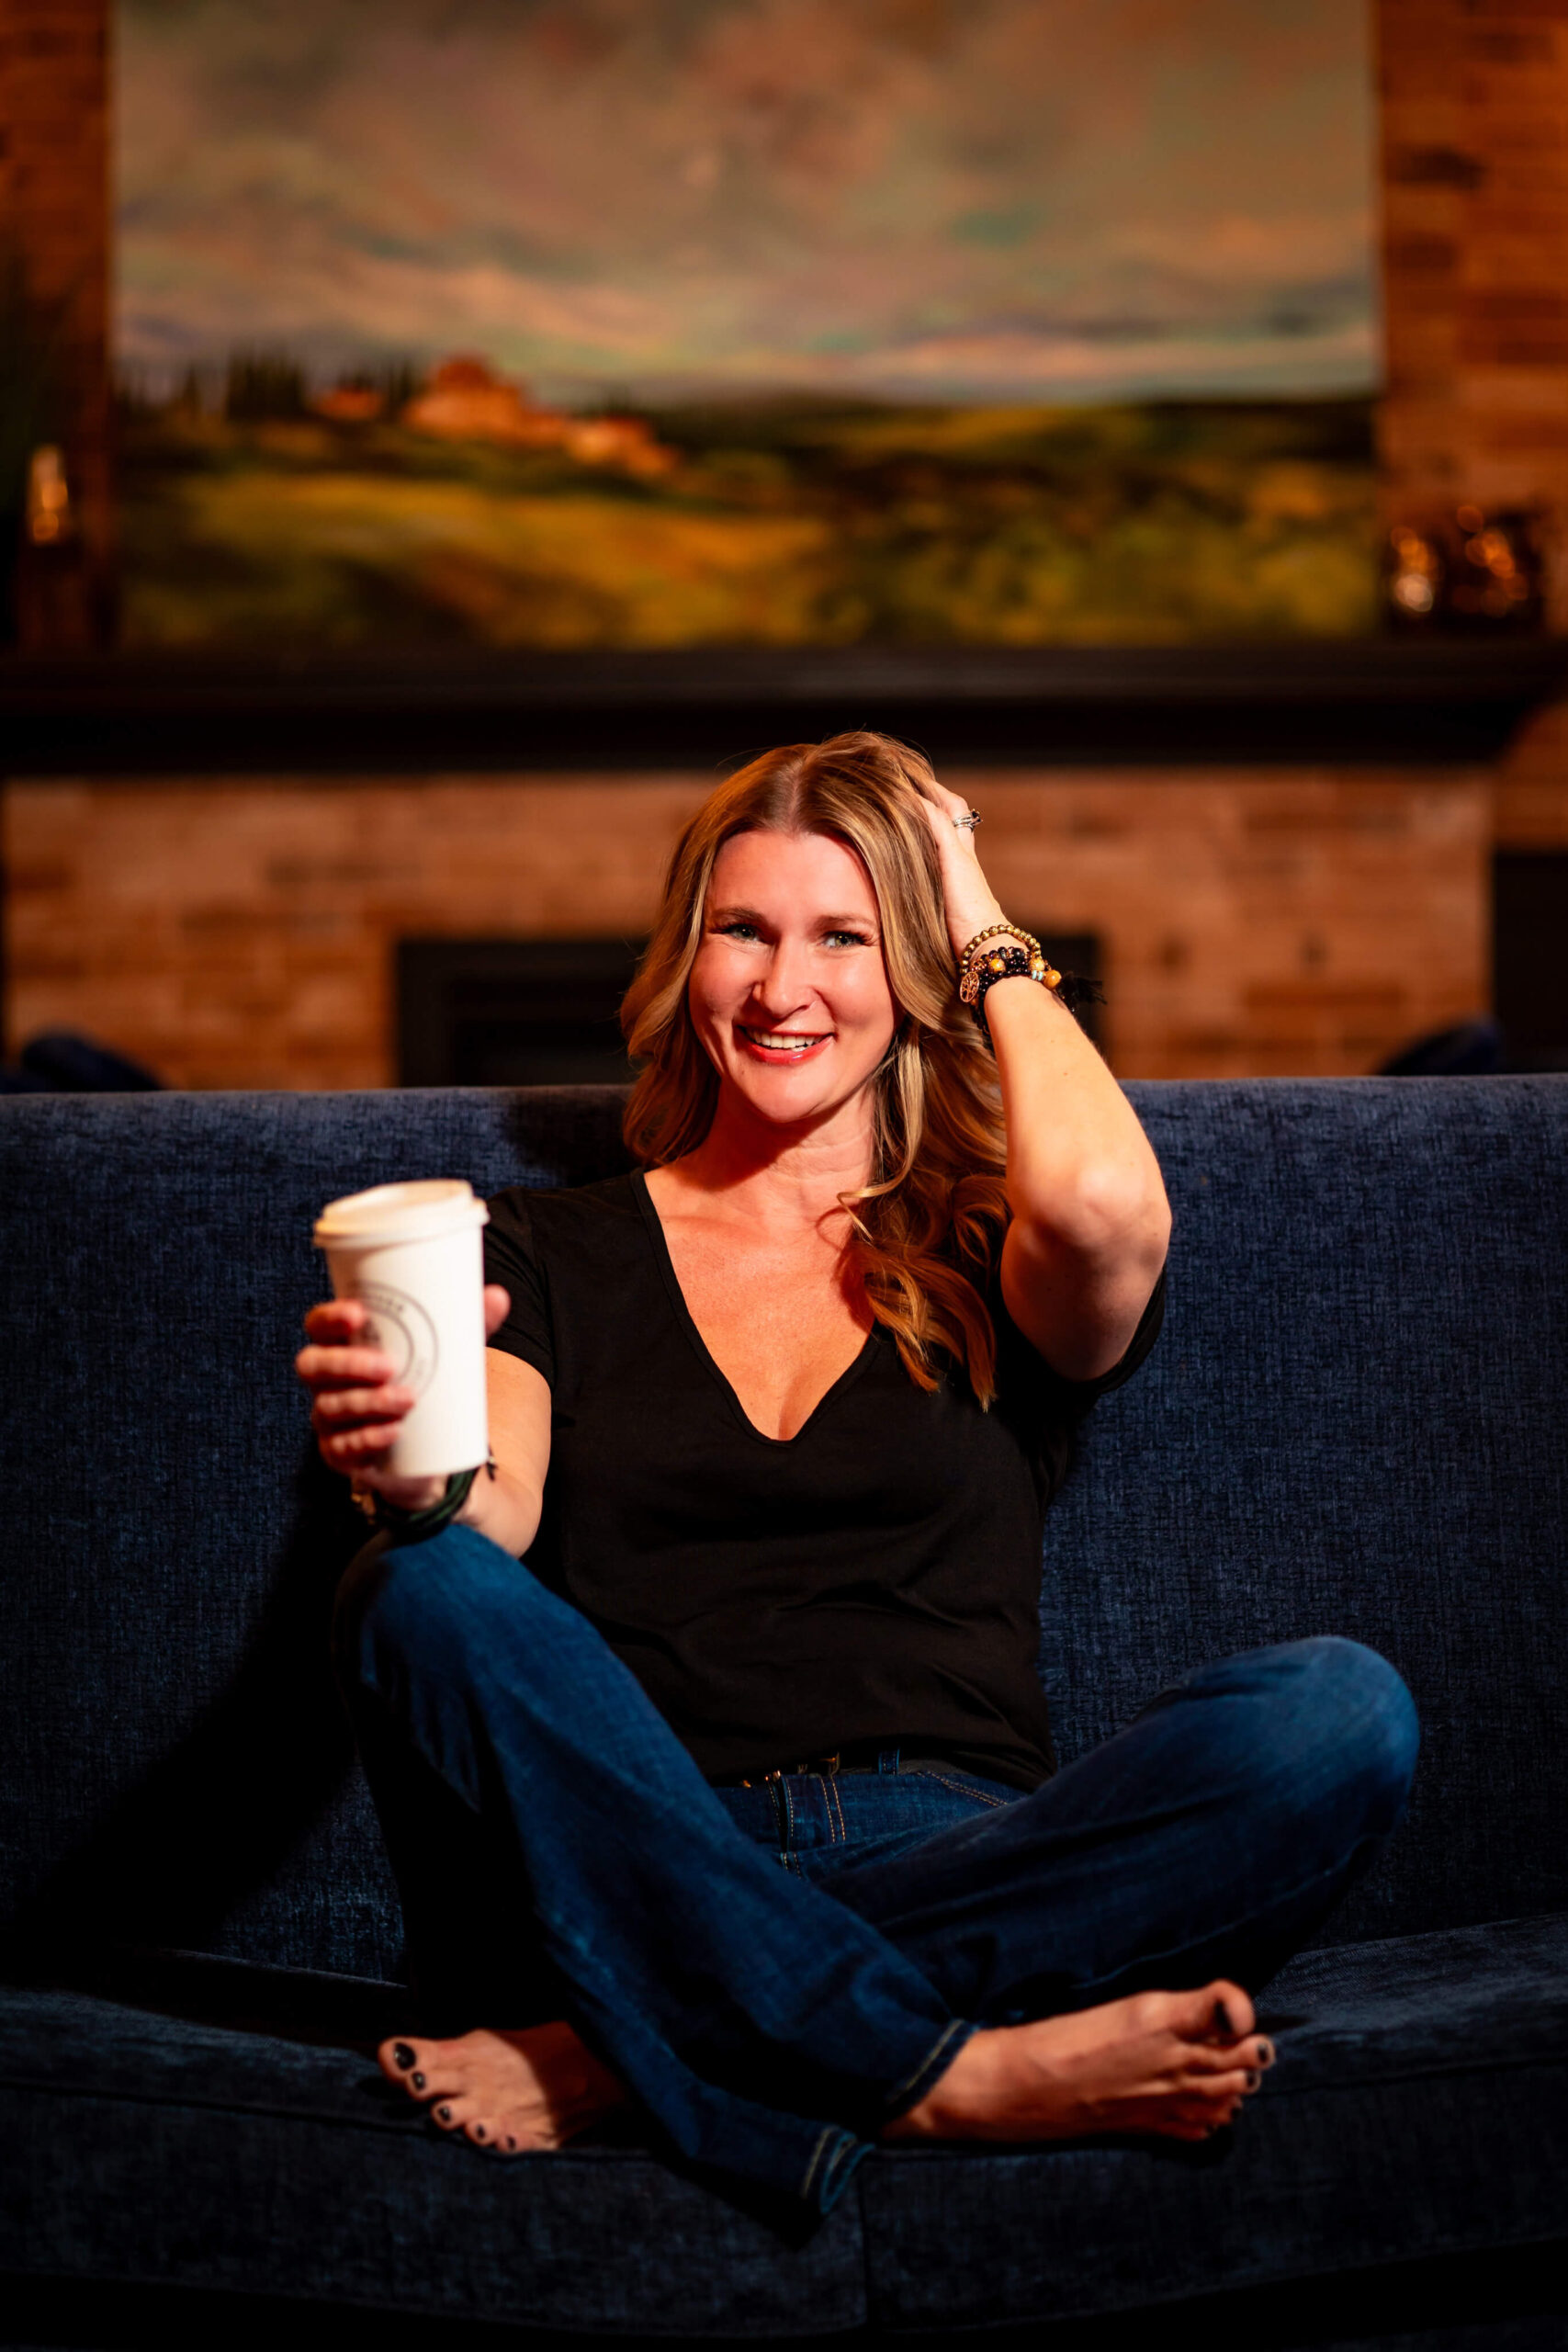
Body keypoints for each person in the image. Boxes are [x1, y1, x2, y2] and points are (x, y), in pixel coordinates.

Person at [297, 732, 1417, 2211]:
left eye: (848, 937)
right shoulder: (541, 1247)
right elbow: (481, 1512)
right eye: (742, 931)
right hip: (635, 1844)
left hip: (958, 1847)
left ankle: (624, 2055)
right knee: (412, 1580)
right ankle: (958, 2078)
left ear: (925, 967)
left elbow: (1099, 1201)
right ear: (681, 959)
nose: (782, 988)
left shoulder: (987, 1242)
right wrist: (409, 1464)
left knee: (1338, 1715)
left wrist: (978, 914)